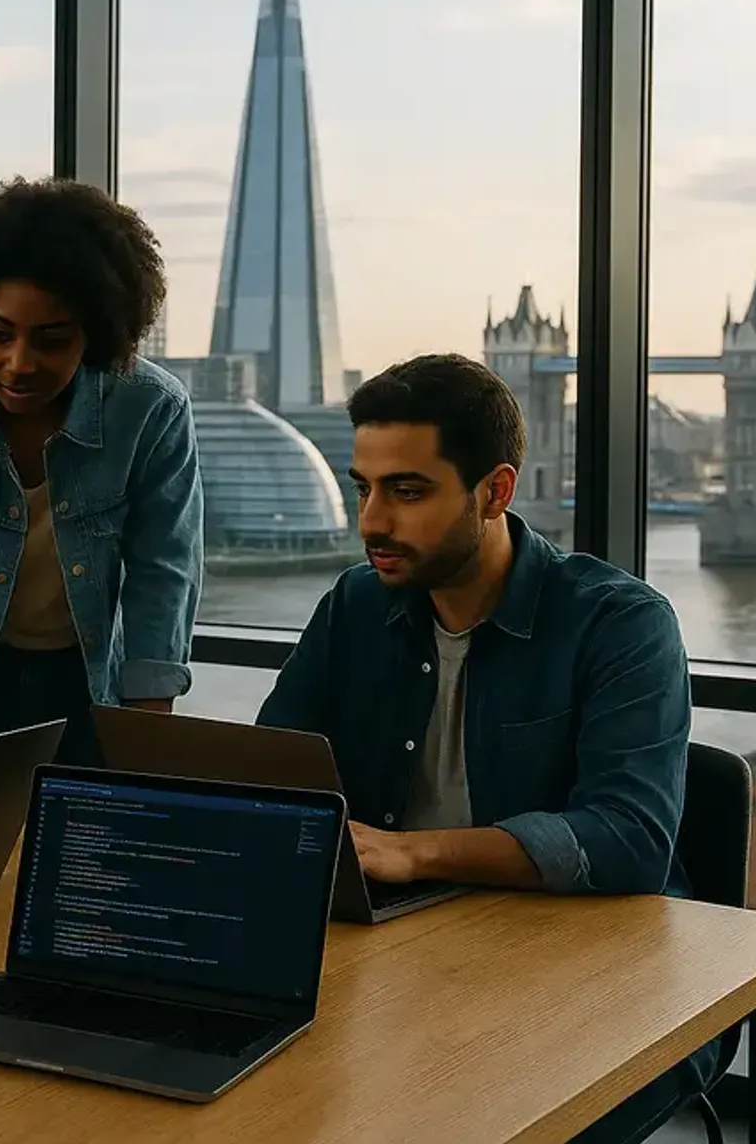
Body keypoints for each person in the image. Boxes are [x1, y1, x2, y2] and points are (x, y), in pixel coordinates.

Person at [257, 353, 711, 1143]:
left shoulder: (621, 623)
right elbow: (271, 773)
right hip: (398, 960)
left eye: (407, 491)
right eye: (362, 486)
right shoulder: (354, 607)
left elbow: (630, 841)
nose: (370, 521)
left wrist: (418, 854)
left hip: (594, 979)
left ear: (495, 492)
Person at [0, 176, 203, 766]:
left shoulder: (153, 410)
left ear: (96, 334)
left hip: (87, 685)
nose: (18, 363)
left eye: (51, 340)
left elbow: (163, 581)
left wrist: (147, 749)